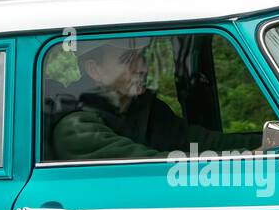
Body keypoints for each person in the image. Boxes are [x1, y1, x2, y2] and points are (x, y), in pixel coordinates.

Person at [48, 38, 260, 161]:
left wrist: (264, 143)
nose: (143, 68)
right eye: (129, 60)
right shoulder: (76, 128)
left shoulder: (143, 110)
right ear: (95, 70)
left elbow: (202, 142)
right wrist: (248, 157)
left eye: (143, 57)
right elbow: (154, 166)